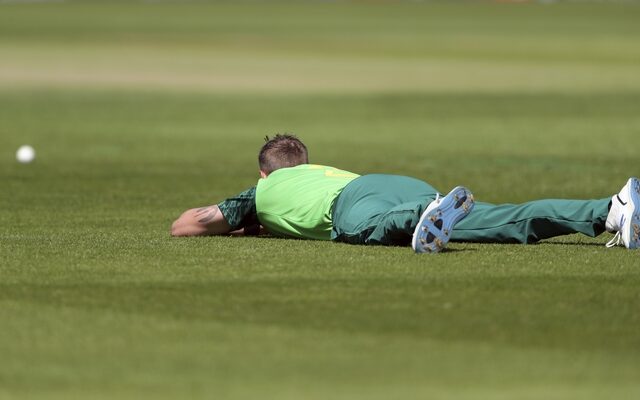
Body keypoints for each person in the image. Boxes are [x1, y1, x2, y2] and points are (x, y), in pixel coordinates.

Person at [171, 134, 640, 253]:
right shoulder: (324, 171)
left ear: (264, 171)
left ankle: (426, 214)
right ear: (307, 161)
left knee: (364, 229)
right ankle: (610, 210)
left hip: (354, 205)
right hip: (386, 181)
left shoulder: (260, 191)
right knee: (505, 219)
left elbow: (187, 224)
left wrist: (247, 220)